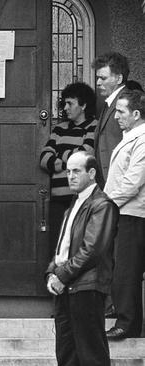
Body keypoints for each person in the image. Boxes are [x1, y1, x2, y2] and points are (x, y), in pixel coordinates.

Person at [45, 151, 118, 366]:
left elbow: (92, 250)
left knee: (91, 355)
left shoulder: (102, 205)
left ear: (92, 173)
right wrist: (51, 273)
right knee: (67, 355)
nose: (71, 176)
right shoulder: (73, 206)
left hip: (87, 288)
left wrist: (61, 276)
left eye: (77, 171)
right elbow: (63, 247)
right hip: (66, 287)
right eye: (68, 171)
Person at [103, 89, 145, 340]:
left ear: (136, 114)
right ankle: (125, 317)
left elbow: (132, 182)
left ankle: (127, 323)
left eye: (121, 111)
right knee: (122, 267)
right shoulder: (131, 135)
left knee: (127, 270)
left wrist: (106, 203)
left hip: (133, 213)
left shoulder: (142, 139)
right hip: (124, 211)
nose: (116, 116)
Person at [40, 82, 97, 254]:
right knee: (57, 246)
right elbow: (44, 158)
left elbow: (84, 156)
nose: (65, 108)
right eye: (64, 103)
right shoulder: (59, 128)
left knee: (78, 245)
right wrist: (65, 159)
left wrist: (59, 158)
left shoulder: (94, 126)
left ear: (84, 105)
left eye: (70, 103)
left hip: (80, 198)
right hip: (58, 199)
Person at [92, 52, 130, 188]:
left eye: (103, 78)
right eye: (97, 78)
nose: (98, 83)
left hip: (121, 184)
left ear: (119, 78)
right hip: (108, 183)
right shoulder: (109, 102)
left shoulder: (128, 102)